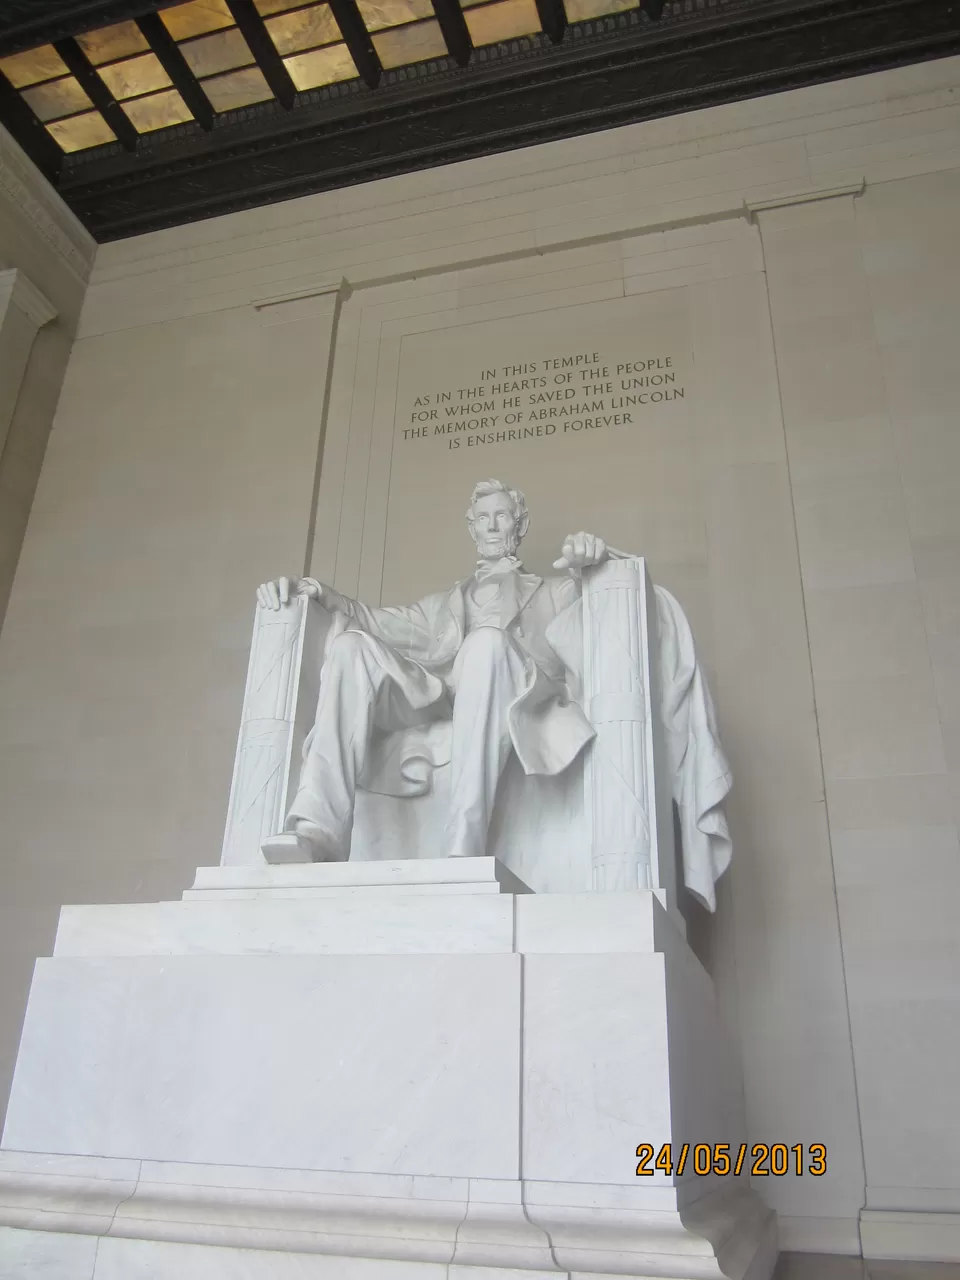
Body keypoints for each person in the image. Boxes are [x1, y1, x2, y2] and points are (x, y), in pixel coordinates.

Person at [257, 479, 607, 863]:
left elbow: (596, 604)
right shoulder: (442, 606)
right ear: (471, 527)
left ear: (519, 525)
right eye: (483, 518)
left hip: (515, 694)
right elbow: (376, 621)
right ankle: (318, 830)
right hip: (445, 699)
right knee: (350, 647)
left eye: (502, 516)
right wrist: (318, 592)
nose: (492, 526)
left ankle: (463, 847)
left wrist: (591, 564)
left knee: (485, 643)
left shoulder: (551, 592)